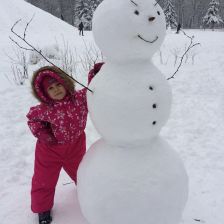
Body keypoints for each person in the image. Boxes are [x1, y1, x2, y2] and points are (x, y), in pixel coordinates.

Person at [26, 63, 103, 224]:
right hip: (49, 150)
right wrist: (43, 134)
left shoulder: (80, 99)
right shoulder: (44, 109)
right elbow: (32, 118)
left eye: (58, 84)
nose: (56, 90)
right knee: (44, 180)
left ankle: (87, 193)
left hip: (75, 146)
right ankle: (42, 209)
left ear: (65, 83)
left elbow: (93, 88)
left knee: (82, 173)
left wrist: (97, 73)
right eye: (51, 88)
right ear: (44, 93)